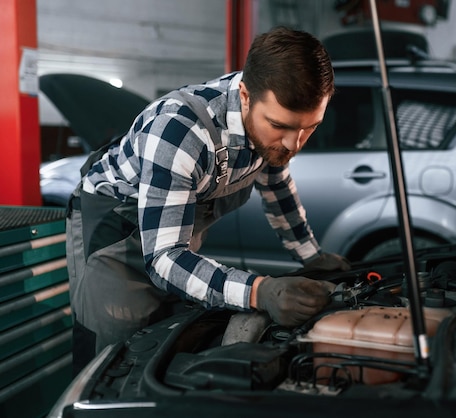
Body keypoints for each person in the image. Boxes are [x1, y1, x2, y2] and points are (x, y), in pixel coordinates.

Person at [65, 26, 350, 374]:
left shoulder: (269, 131)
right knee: (114, 358)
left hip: (172, 237)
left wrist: (313, 257)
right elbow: (166, 259)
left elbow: (277, 186)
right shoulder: (180, 131)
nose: (294, 143)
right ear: (245, 95)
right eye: (280, 126)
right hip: (114, 231)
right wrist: (261, 291)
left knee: (168, 340)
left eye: (309, 127)